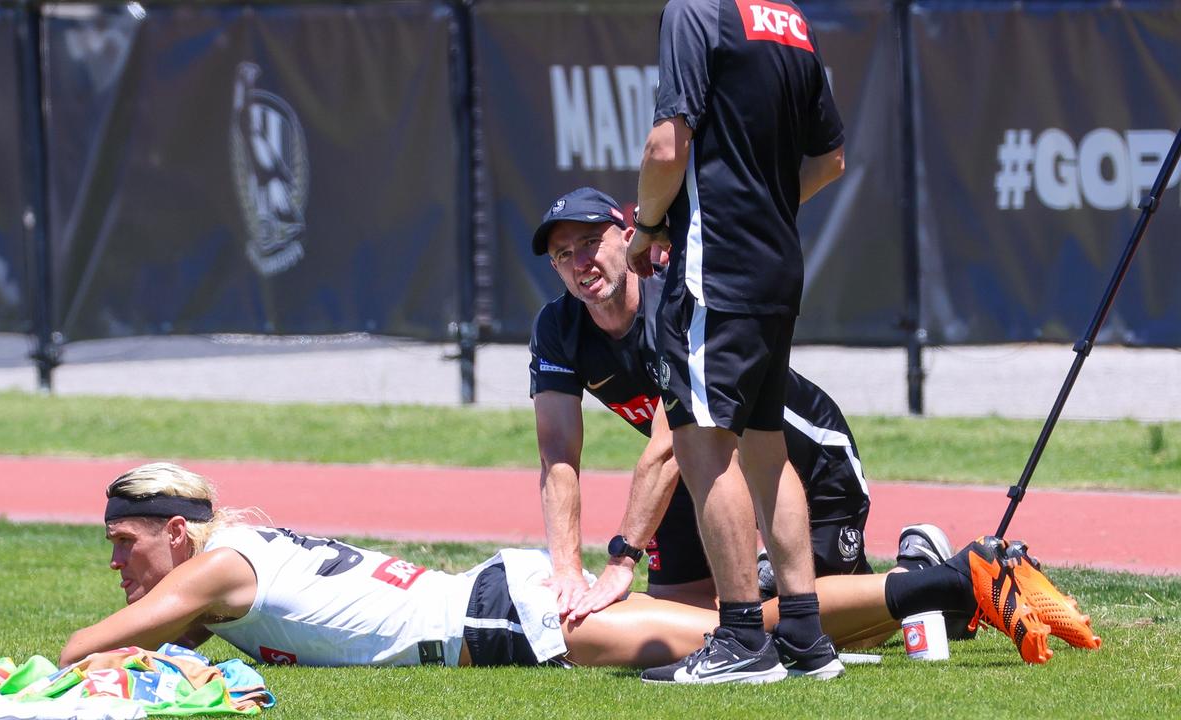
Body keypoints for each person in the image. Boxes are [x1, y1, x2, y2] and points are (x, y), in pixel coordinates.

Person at [62, 463, 1099, 675]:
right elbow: (179, 649)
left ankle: (958, 581)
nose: (116, 559)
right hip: (492, 597)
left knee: (766, 645)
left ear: (177, 535)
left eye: (124, 540)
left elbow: (83, 651)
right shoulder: (221, 563)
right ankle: (954, 591)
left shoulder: (204, 574)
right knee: (751, 618)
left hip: (500, 623)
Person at [529, 187, 878, 630]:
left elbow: (669, 444)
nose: (580, 263)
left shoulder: (676, 301)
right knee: (677, 616)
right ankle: (756, 595)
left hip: (806, 464)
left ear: (628, 237)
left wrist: (622, 559)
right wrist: (566, 571)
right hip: (704, 468)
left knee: (811, 618)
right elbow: (557, 453)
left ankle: (928, 577)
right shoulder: (557, 328)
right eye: (563, 254)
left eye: (590, 243)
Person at [625, 0, 848, 683]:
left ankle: (744, 639)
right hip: (777, 266)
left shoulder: (694, 12)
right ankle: (804, 632)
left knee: (702, 444)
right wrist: (766, 210)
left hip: (712, 268)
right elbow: (830, 159)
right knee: (764, 444)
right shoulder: (792, 23)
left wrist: (647, 226)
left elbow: (668, 146)